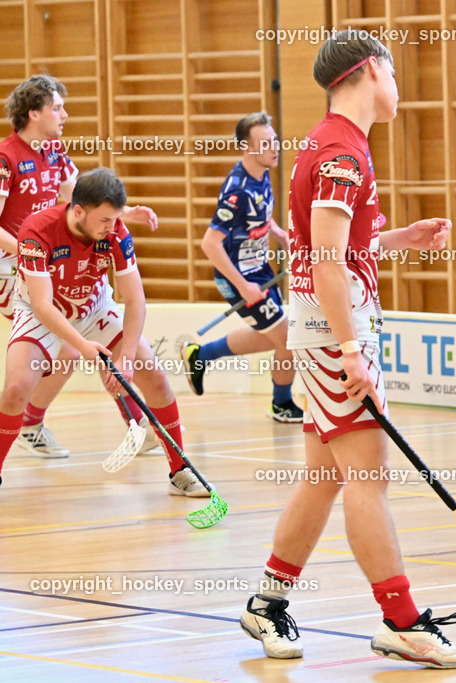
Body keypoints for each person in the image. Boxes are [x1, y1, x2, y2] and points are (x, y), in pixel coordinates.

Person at [237, 30, 456, 669]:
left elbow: (337, 250)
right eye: (394, 72)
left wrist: (398, 237)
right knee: (370, 476)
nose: (398, 86)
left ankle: (266, 602)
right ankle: (402, 622)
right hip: (333, 335)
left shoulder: (331, 144)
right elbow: (323, 262)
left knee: (324, 479)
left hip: (324, 329)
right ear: (371, 71)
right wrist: (350, 350)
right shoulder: (343, 153)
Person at [0, 167, 206, 497]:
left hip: (94, 307)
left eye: (115, 219)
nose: (112, 227)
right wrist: (83, 346)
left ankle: (180, 470)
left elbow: (135, 298)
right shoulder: (36, 231)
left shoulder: (117, 232)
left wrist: (124, 358)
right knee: (16, 388)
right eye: (105, 220)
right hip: (41, 312)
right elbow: (42, 305)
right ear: (78, 210)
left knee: (152, 374)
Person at [0, 74, 160, 457]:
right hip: (11, 265)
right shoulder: (6, 158)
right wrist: (28, 252)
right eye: (57, 107)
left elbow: (78, 200)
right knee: (68, 343)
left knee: (72, 347)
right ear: (34, 112)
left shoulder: (54, 150)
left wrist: (124, 212)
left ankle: (34, 424)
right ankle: (133, 423)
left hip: (48, 259)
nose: (65, 115)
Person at [179, 112, 302, 423]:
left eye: (275, 140)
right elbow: (210, 243)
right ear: (248, 148)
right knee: (288, 340)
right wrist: (243, 287)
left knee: (271, 337)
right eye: (266, 143)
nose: (275, 147)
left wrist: (279, 235)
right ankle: (281, 403)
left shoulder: (262, 173)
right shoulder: (238, 190)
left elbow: (259, 216)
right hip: (238, 277)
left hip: (259, 269)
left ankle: (200, 355)